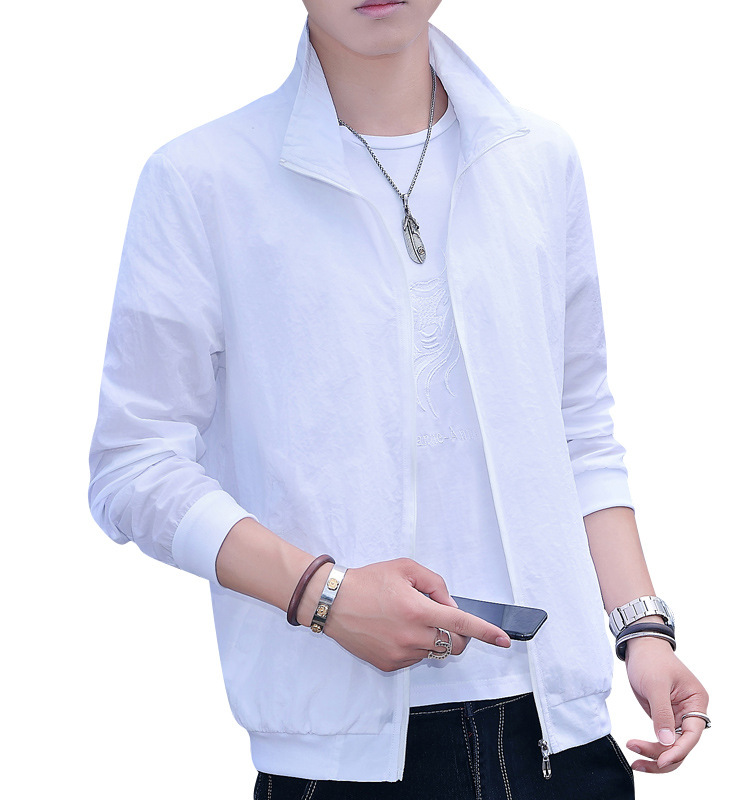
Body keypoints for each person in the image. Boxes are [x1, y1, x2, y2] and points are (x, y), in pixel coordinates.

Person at [88, 1, 710, 797]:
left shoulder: (540, 159)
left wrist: (643, 632)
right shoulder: (201, 180)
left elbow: (578, 427)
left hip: (566, 741)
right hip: (341, 762)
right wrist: (323, 595)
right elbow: (134, 464)